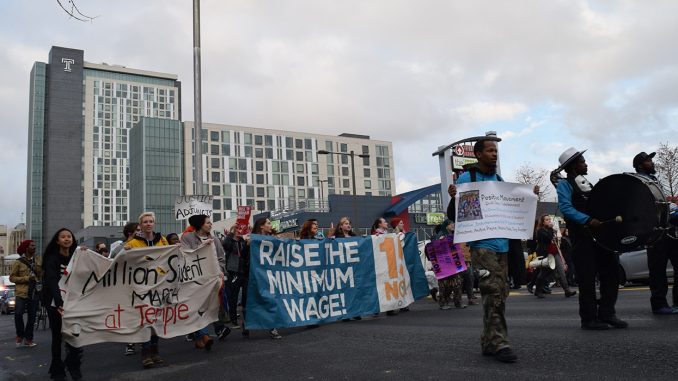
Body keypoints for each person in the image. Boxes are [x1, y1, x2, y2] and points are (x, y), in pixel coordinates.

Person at [448, 138, 539, 363]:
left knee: (501, 293)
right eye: (489, 150)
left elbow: (510, 209)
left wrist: (529, 197)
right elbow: (456, 214)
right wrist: (454, 198)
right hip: (482, 246)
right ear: (478, 154)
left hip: (503, 246)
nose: (494, 154)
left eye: (495, 150)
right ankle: (500, 343)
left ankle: (489, 341)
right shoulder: (468, 178)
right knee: (492, 291)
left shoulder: (499, 180)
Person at [555, 147, 627, 330]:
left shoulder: (587, 183)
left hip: (601, 237)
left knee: (611, 273)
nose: (585, 164)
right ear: (572, 167)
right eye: (581, 161)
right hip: (582, 238)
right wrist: (587, 220)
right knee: (587, 279)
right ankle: (588, 318)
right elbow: (566, 208)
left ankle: (607, 313)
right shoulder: (565, 184)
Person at [633, 151, 678, 314]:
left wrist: (672, 209)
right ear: (640, 165)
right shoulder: (638, 181)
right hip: (654, 232)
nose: (652, 162)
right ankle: (659, 304)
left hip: (668, 229)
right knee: (658, 270)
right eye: (648, 161)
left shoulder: (655, 180)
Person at [125, 212, 168, 368]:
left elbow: (169, 258)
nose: (148, 224)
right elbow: (121, 260)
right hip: (142, 287)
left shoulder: (162, 241)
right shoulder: (134, 243)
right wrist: (126, 250)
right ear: (140, 225)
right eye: (145, 222)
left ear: (154, 223)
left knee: (156, 319)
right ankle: (145, 353)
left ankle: (155, 351)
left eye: (151, 221)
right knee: (145, 320)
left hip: (159, 286)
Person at [180, 214, 229, 349]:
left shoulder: (215, 240)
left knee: (209, 306)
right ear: (200, 224)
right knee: (196, 307)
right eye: (207, 223)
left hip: (211, 280)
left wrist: (220, 271)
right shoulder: (187, 238)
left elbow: (221, 258)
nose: (210, 225)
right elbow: (184, 255)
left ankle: (201, 336)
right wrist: (202, 246)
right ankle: (204, 335)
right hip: (194, 281)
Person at [42, 228, 83, 381]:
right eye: (63, 237)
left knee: (75, 333)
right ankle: (57, 369)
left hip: (74, 302)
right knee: (58, 336)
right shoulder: (52, 259)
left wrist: (86, 254)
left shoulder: (77, 257)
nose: (67, 239)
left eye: (69, 236)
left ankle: (74, 365)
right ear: (57, 241)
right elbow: (52, 281)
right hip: (55, 303)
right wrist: (59, 302)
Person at [248, 218, 283, 339]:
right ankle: (247, 324)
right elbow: (243, 255)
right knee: (256, 299)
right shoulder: (252, 239)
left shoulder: (272, 238)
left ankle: (272, 326)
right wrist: (247, 244)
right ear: (261, 226)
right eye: (268, 223)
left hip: (269, 274)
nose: (270, 225)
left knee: (271, 298)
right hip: (255, 274)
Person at [532, 215, 576, 299]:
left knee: (561, 271)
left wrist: (552, 230)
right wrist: (550, 229)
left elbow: (552, 238)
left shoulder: (550, 229)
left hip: (554, 252)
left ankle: (567, 290)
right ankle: (538, 290)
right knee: (544, 273)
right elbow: (548, 238)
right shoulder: (540, 231)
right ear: (543, 222)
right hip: (546, 254)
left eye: (549, 219)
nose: (549, 221)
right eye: (547, 220)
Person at [10, 240, 41, 348]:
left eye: (35, 246)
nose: (34, 247)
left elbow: (41, 274)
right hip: (21, 293)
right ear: (26, 248)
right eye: (32, 246)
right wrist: (27, 278)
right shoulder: (18, 262)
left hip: (34, 292)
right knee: (18, 314)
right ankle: (20, 334)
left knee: (32, 317)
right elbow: (12, 278)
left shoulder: (38, 259)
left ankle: (29, 339)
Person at [223, 225, 249, 331]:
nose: (239, 231)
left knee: (246, 296)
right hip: (233, 272)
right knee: (233, 297)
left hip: (245, 272)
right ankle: (233, 319)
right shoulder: (230, 241)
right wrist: (232, 234)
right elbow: (225, 245)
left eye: (241, 229)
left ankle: (246, 319)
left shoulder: (244, 241)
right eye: (237, 229)